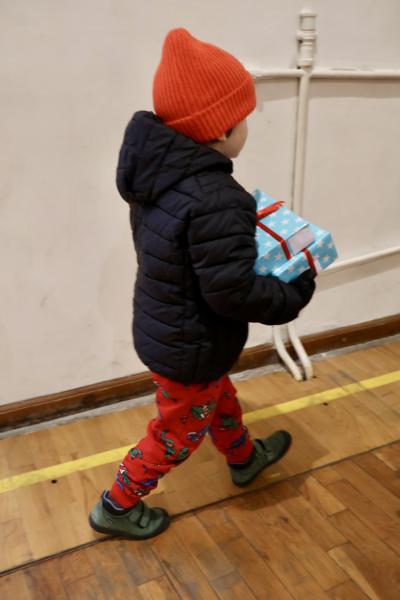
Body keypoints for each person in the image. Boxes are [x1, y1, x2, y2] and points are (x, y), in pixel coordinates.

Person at [89, 28, 315, 540]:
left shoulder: (158, 176)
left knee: (219, 395)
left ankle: (243, 457)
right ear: (218, 129)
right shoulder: (216, 197)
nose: (248, 128)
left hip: (172, 328)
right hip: (189, 344)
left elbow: (195, 261)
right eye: (244, 119)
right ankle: (116, 506)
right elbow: (232, 291)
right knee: (176, 434)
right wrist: (295, 290)